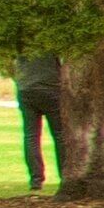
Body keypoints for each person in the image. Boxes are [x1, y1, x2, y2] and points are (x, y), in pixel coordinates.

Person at [15, 53, 64, 192]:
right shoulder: (50, 40)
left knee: (31, 136)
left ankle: (36, 179)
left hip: (26, 88)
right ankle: (65, 175)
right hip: (50, 88)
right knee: (60, 135)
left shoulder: (22, 38)